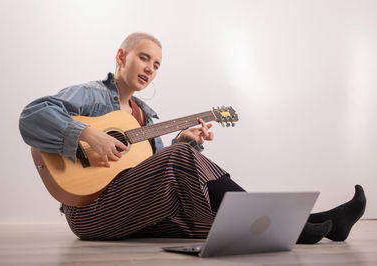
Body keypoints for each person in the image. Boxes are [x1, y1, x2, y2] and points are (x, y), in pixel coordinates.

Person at [19, 32, 366, 244]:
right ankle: (290, 225)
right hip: (90, 211)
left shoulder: (146, 117)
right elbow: (32, 116)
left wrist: (183, 144)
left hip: (129, 209)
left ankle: (321, 224)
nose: (150, 68)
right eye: (143, 57)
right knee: (181, 165)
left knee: (195, 212)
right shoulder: (92, 95)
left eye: (156, 65)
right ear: (121, 57)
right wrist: (91, 135)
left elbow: (149, 174)